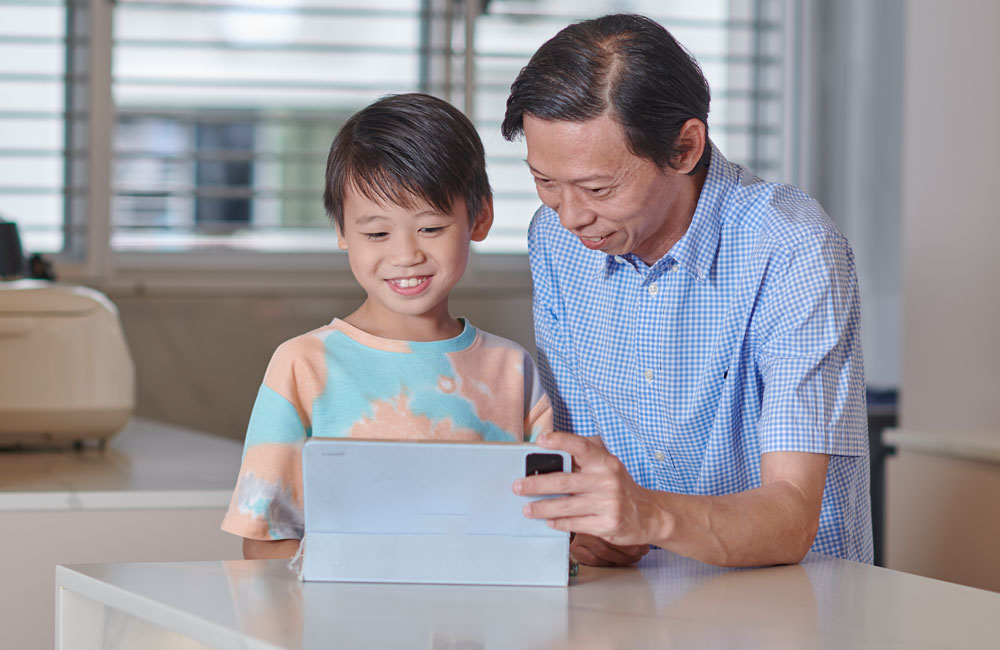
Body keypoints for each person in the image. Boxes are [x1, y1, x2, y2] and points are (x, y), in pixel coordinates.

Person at [502, 14, 872, 567]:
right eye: (545, 182)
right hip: (634, 599)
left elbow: (793, 516)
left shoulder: (792, 249)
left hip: (792, 602)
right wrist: (590, 528)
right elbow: (578, 455)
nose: (572, 216)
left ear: (684, 148)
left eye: (598, 187)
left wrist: (644, 515)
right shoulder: (554, 240)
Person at [221, 93, 553, 559]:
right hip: (343, 623)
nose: (405, 255)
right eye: (376, 233)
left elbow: (550, 530)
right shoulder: (304, 365)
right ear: (341, 230)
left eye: (431, 228)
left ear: (479, 218)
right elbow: (264, 539)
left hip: (478, 623)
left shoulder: (512, 369)